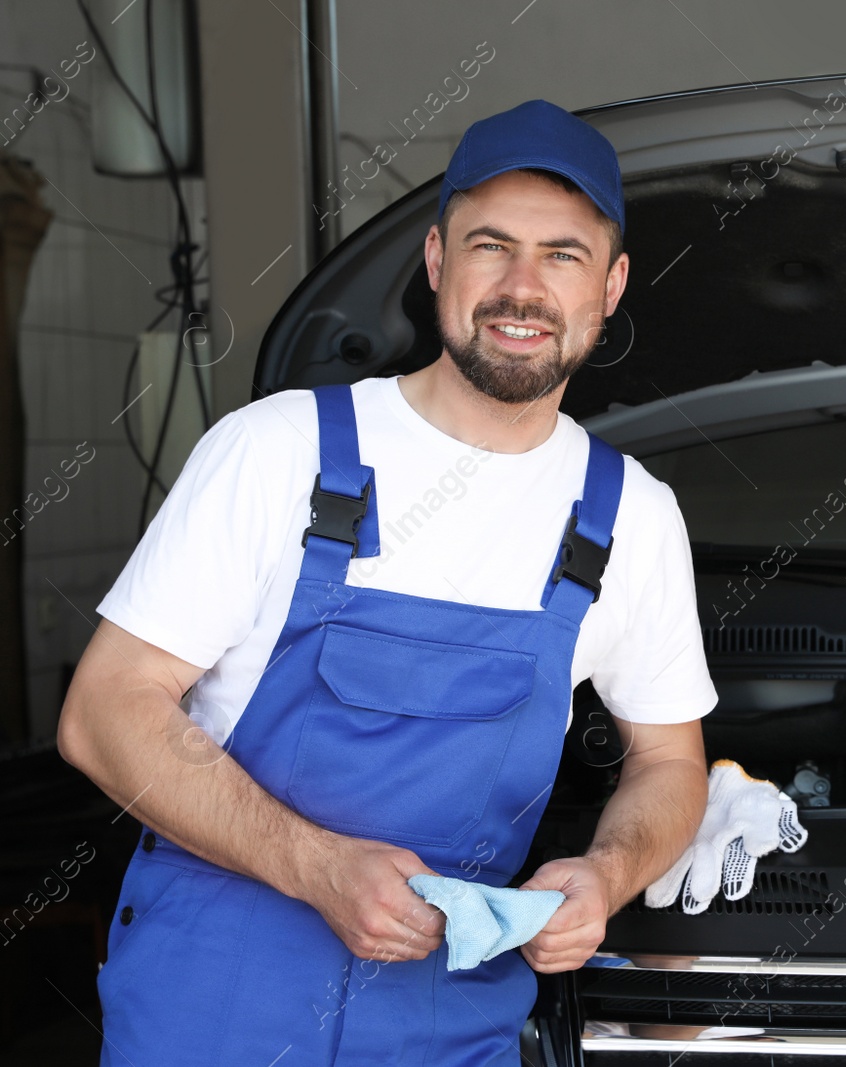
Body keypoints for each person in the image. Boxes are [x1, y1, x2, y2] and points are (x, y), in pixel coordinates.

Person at [56, 99, 716, 1065]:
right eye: (491, 246)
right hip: (217, 1005)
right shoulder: (279, 452)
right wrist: (317, 867)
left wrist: (606, 876)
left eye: (563, 255)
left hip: (448, 1024)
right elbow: (104, 711)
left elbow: (670, 759)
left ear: (611, 286)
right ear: (438, 261)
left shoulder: (629, 516)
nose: (522, 288)